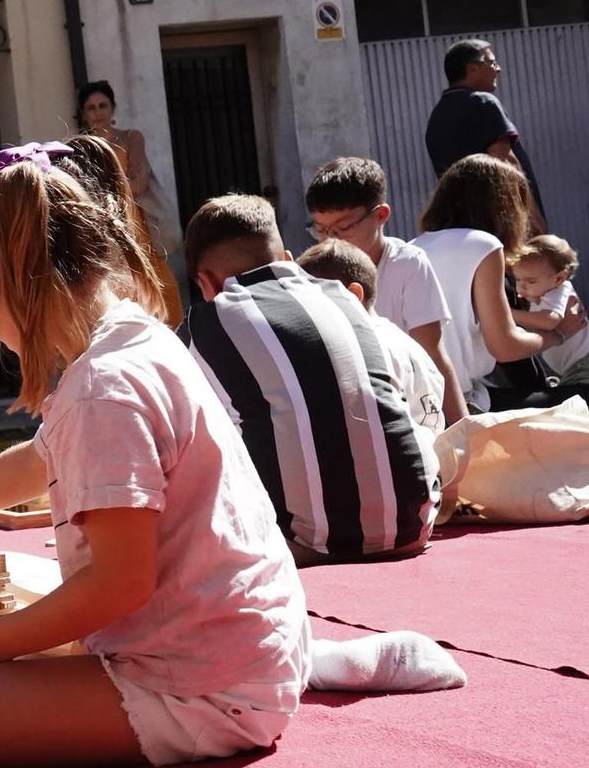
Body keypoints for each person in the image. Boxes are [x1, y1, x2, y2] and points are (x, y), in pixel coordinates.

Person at [0, 137, 316, 768]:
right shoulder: (129, 337)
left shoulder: (103, 390)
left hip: (205, 685)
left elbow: (122, 581)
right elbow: (40, 458)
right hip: (243, 645)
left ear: (24, 285)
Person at [182, 196, 437, 563]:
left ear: (205, 281)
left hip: (307, 543)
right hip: (414, 526)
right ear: (286, 259)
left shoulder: (204, 324)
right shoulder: (343, 298)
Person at [303, 156, 467, 424]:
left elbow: (433, 355)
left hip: (412, 405)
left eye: (343, 227)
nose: (331, 239)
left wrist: (463, 432)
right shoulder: (317, 270)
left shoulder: (408, 264)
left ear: (381, 215)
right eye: (320, 230)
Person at [412, 155, 581, 412]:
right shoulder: (483, 245)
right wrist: (558, 336)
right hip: (461, 403)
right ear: (505, 207)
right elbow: (504, 347)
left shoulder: (416, 246)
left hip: (426, 401)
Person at [297, 239, 447, 440]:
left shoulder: (365, 349)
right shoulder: (404, 342)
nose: (305, 310)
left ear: (353, 295)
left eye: (312, 300)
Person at [77, 80, 185, 324]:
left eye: (102, 105)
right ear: (84, 113)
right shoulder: (80, 149)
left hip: (136, 222)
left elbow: (140, 182)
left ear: (113, 109)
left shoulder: (130, 137)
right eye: (91, 107)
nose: (97, 112)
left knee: (157, 281)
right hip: (103, 228)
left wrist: (107, 192)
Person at [423, 39, 547, 224]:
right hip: (501, 218)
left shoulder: (437, 115)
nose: (498, 69)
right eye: (492, 62)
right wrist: (532, 215)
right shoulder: (484, 102)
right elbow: (506, 163)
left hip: (460, 221)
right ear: (473, 69)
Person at [509, 234, 589, 385]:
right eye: (518, 279)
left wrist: (510, 315)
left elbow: (549, 321)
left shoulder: (559, 291)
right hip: (570, 367)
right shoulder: (545, 291)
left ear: (559, 278)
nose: (521, 286)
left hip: (583, 364)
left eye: (531, 281)